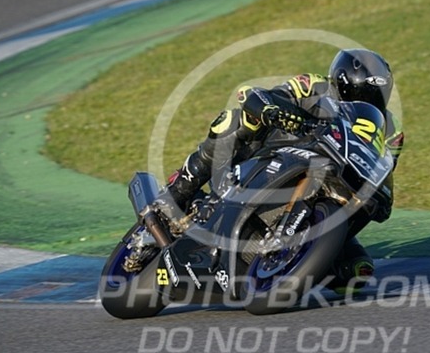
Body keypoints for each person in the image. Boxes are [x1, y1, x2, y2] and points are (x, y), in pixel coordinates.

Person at [156, 48, 404, 290]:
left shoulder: (391, 129)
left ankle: (286, 262)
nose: (370, 97)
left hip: (333, 179)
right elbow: (260, 95)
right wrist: (272, 110)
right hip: (274, 152)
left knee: (356, 271)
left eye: (377, 92)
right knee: (233, 122)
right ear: (343, 81)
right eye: (364, 89)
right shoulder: (313, 85)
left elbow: (384, 168)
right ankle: (177, 191)